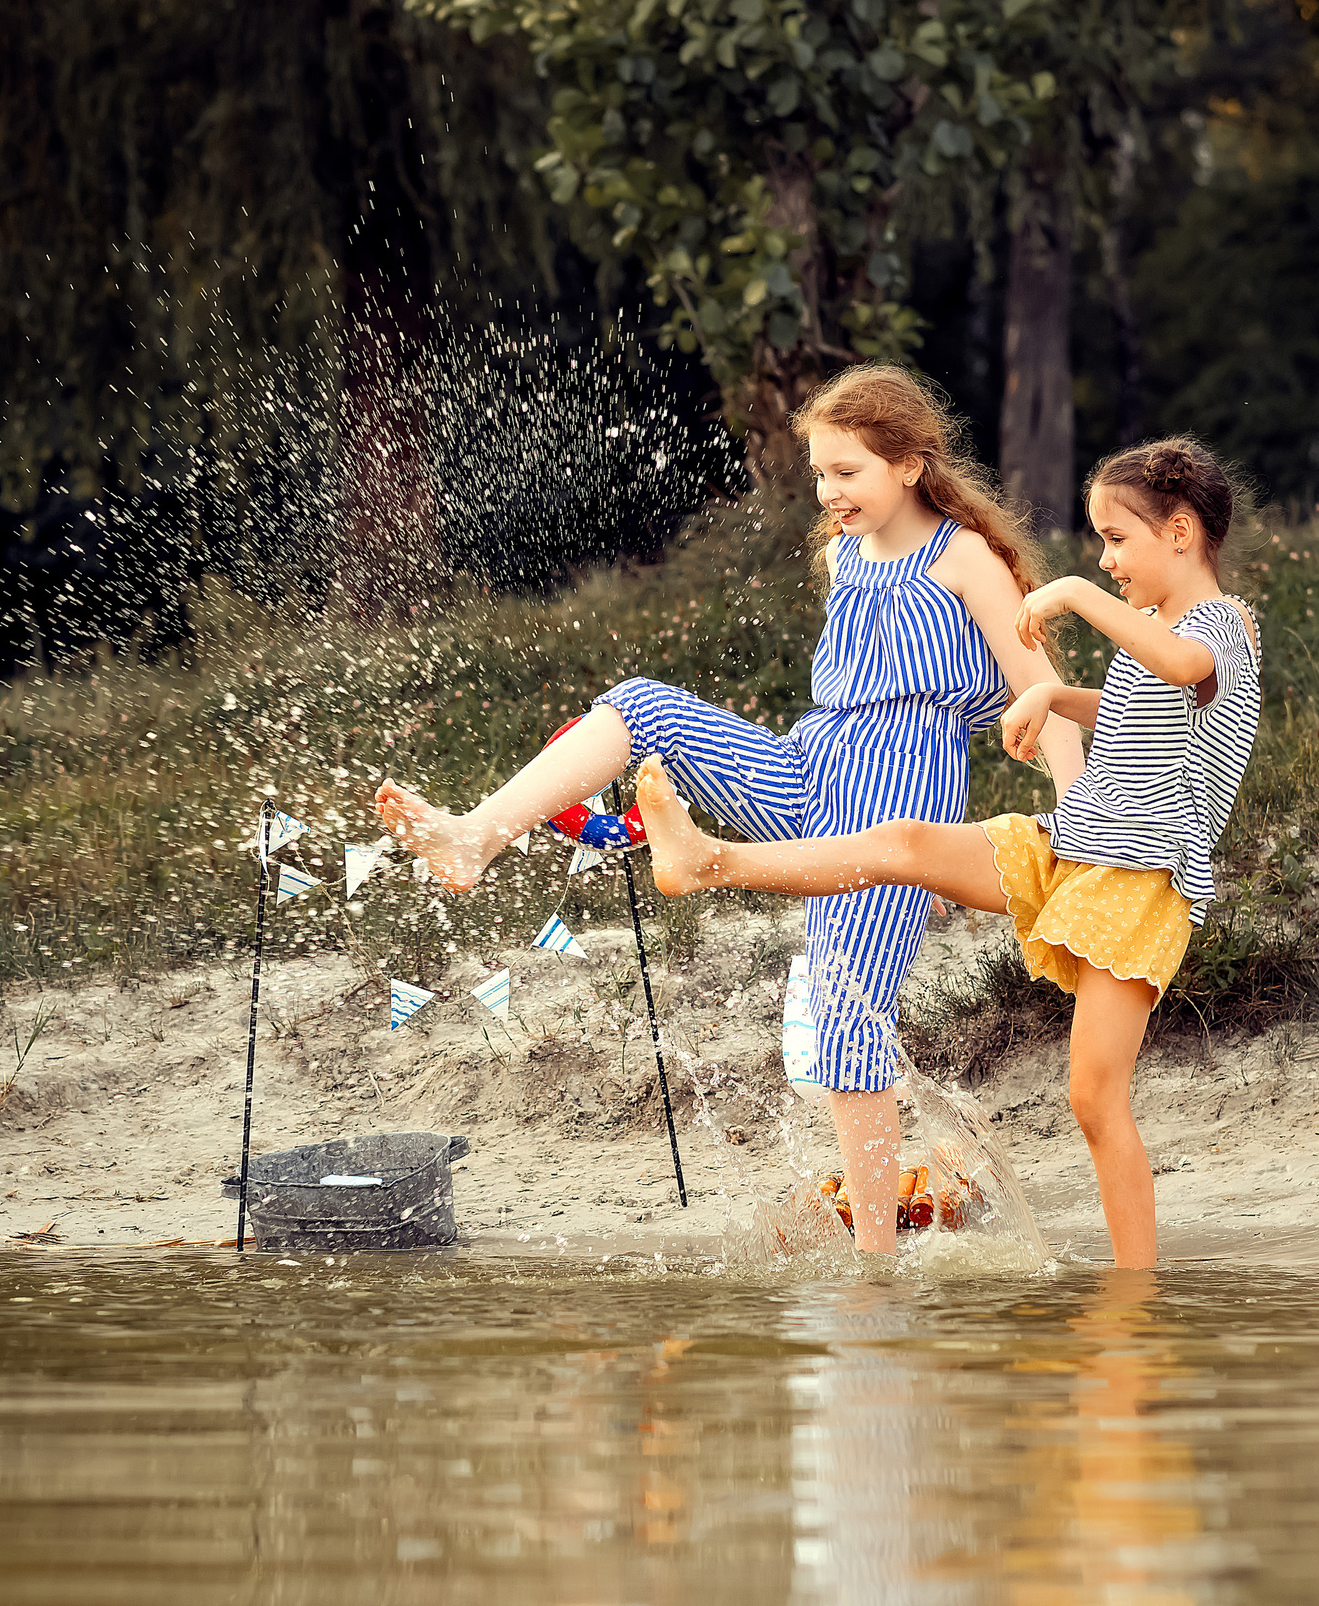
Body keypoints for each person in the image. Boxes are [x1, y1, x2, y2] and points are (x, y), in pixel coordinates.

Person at [377, 364, 1085, 1251]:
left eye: (848, 472)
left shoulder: (965, 557)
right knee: (642, 704)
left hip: (898, 790)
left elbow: (1044, 696)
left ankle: (875, 1259)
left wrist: (1079, 827)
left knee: (845, 1014)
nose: (829, 491)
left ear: (908, 465)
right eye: (821, 473)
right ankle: (475, 836)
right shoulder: (847, 554)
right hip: (806, 763)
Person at [632, 437, 1262, 1269]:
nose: (1105, 559)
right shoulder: (1154, 626)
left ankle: (1136, 1297)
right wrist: (1049, 691)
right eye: (1098, 543)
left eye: (1117, 538)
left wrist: (1072, 593)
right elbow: (1136, 702)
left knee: (1095, 1099)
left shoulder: (1217, 623)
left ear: (1180, 532)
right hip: (1075, 844)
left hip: (1139, 879)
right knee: (902, 845)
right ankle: (708, 860)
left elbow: (1184, 667)